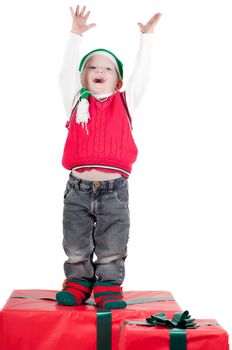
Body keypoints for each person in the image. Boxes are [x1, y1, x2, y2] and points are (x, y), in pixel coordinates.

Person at [56, 5, 162, 308]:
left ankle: (108, 285)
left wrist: (147, 38)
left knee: (112, 243)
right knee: (75, 243)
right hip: (77, 188)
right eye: (92, 67)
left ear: (117, 81)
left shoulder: (125, 103)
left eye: (107, 68)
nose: (99, 71)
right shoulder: (76, 102)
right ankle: (77, 281)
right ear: (82, 78)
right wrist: (75, 35)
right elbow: (64, 72)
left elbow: (143, 75)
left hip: (114, 191)